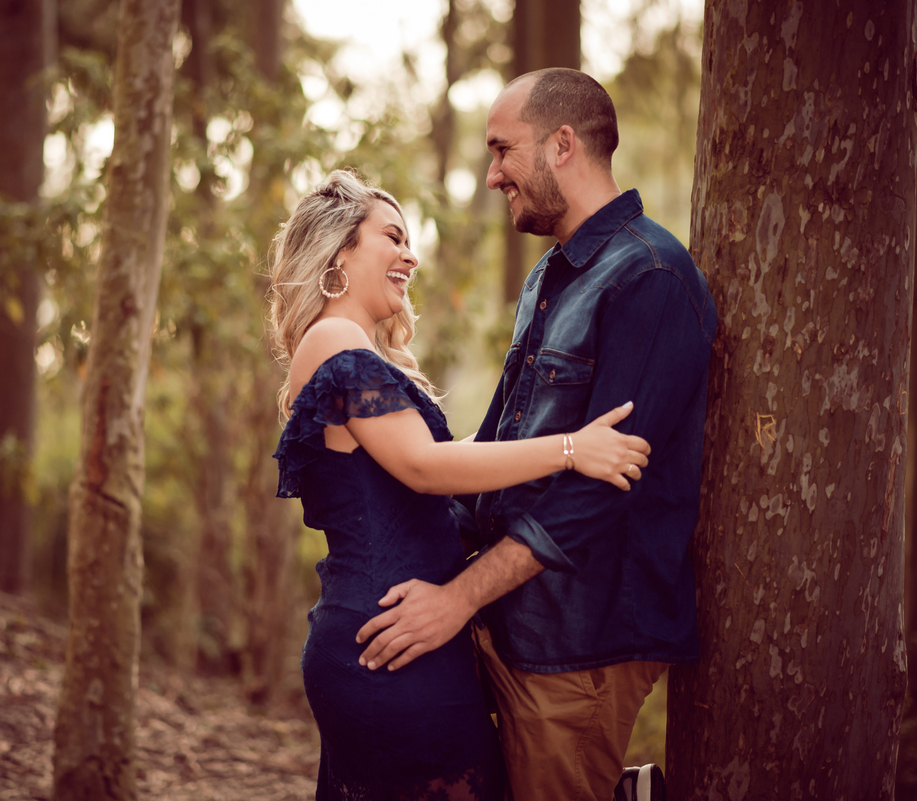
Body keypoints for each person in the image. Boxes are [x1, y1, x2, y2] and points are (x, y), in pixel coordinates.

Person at [354, 69, 717, 801]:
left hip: (582, 641)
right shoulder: (552, 275)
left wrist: (457, 597)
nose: (491, 175)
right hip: (513, 618)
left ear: (561, 145)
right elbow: (496, 445)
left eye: (501, 150)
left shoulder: (650, 277)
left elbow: (600, 492)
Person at [269, 168, 653, 801]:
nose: (409, 256)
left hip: (404, 634)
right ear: (339, 253)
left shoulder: (359, 355)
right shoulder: (335, 338)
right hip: (388, 643)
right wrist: (568, 451)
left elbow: (451, 459)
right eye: (391, 238)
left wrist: (566, 422)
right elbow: (426, 467)